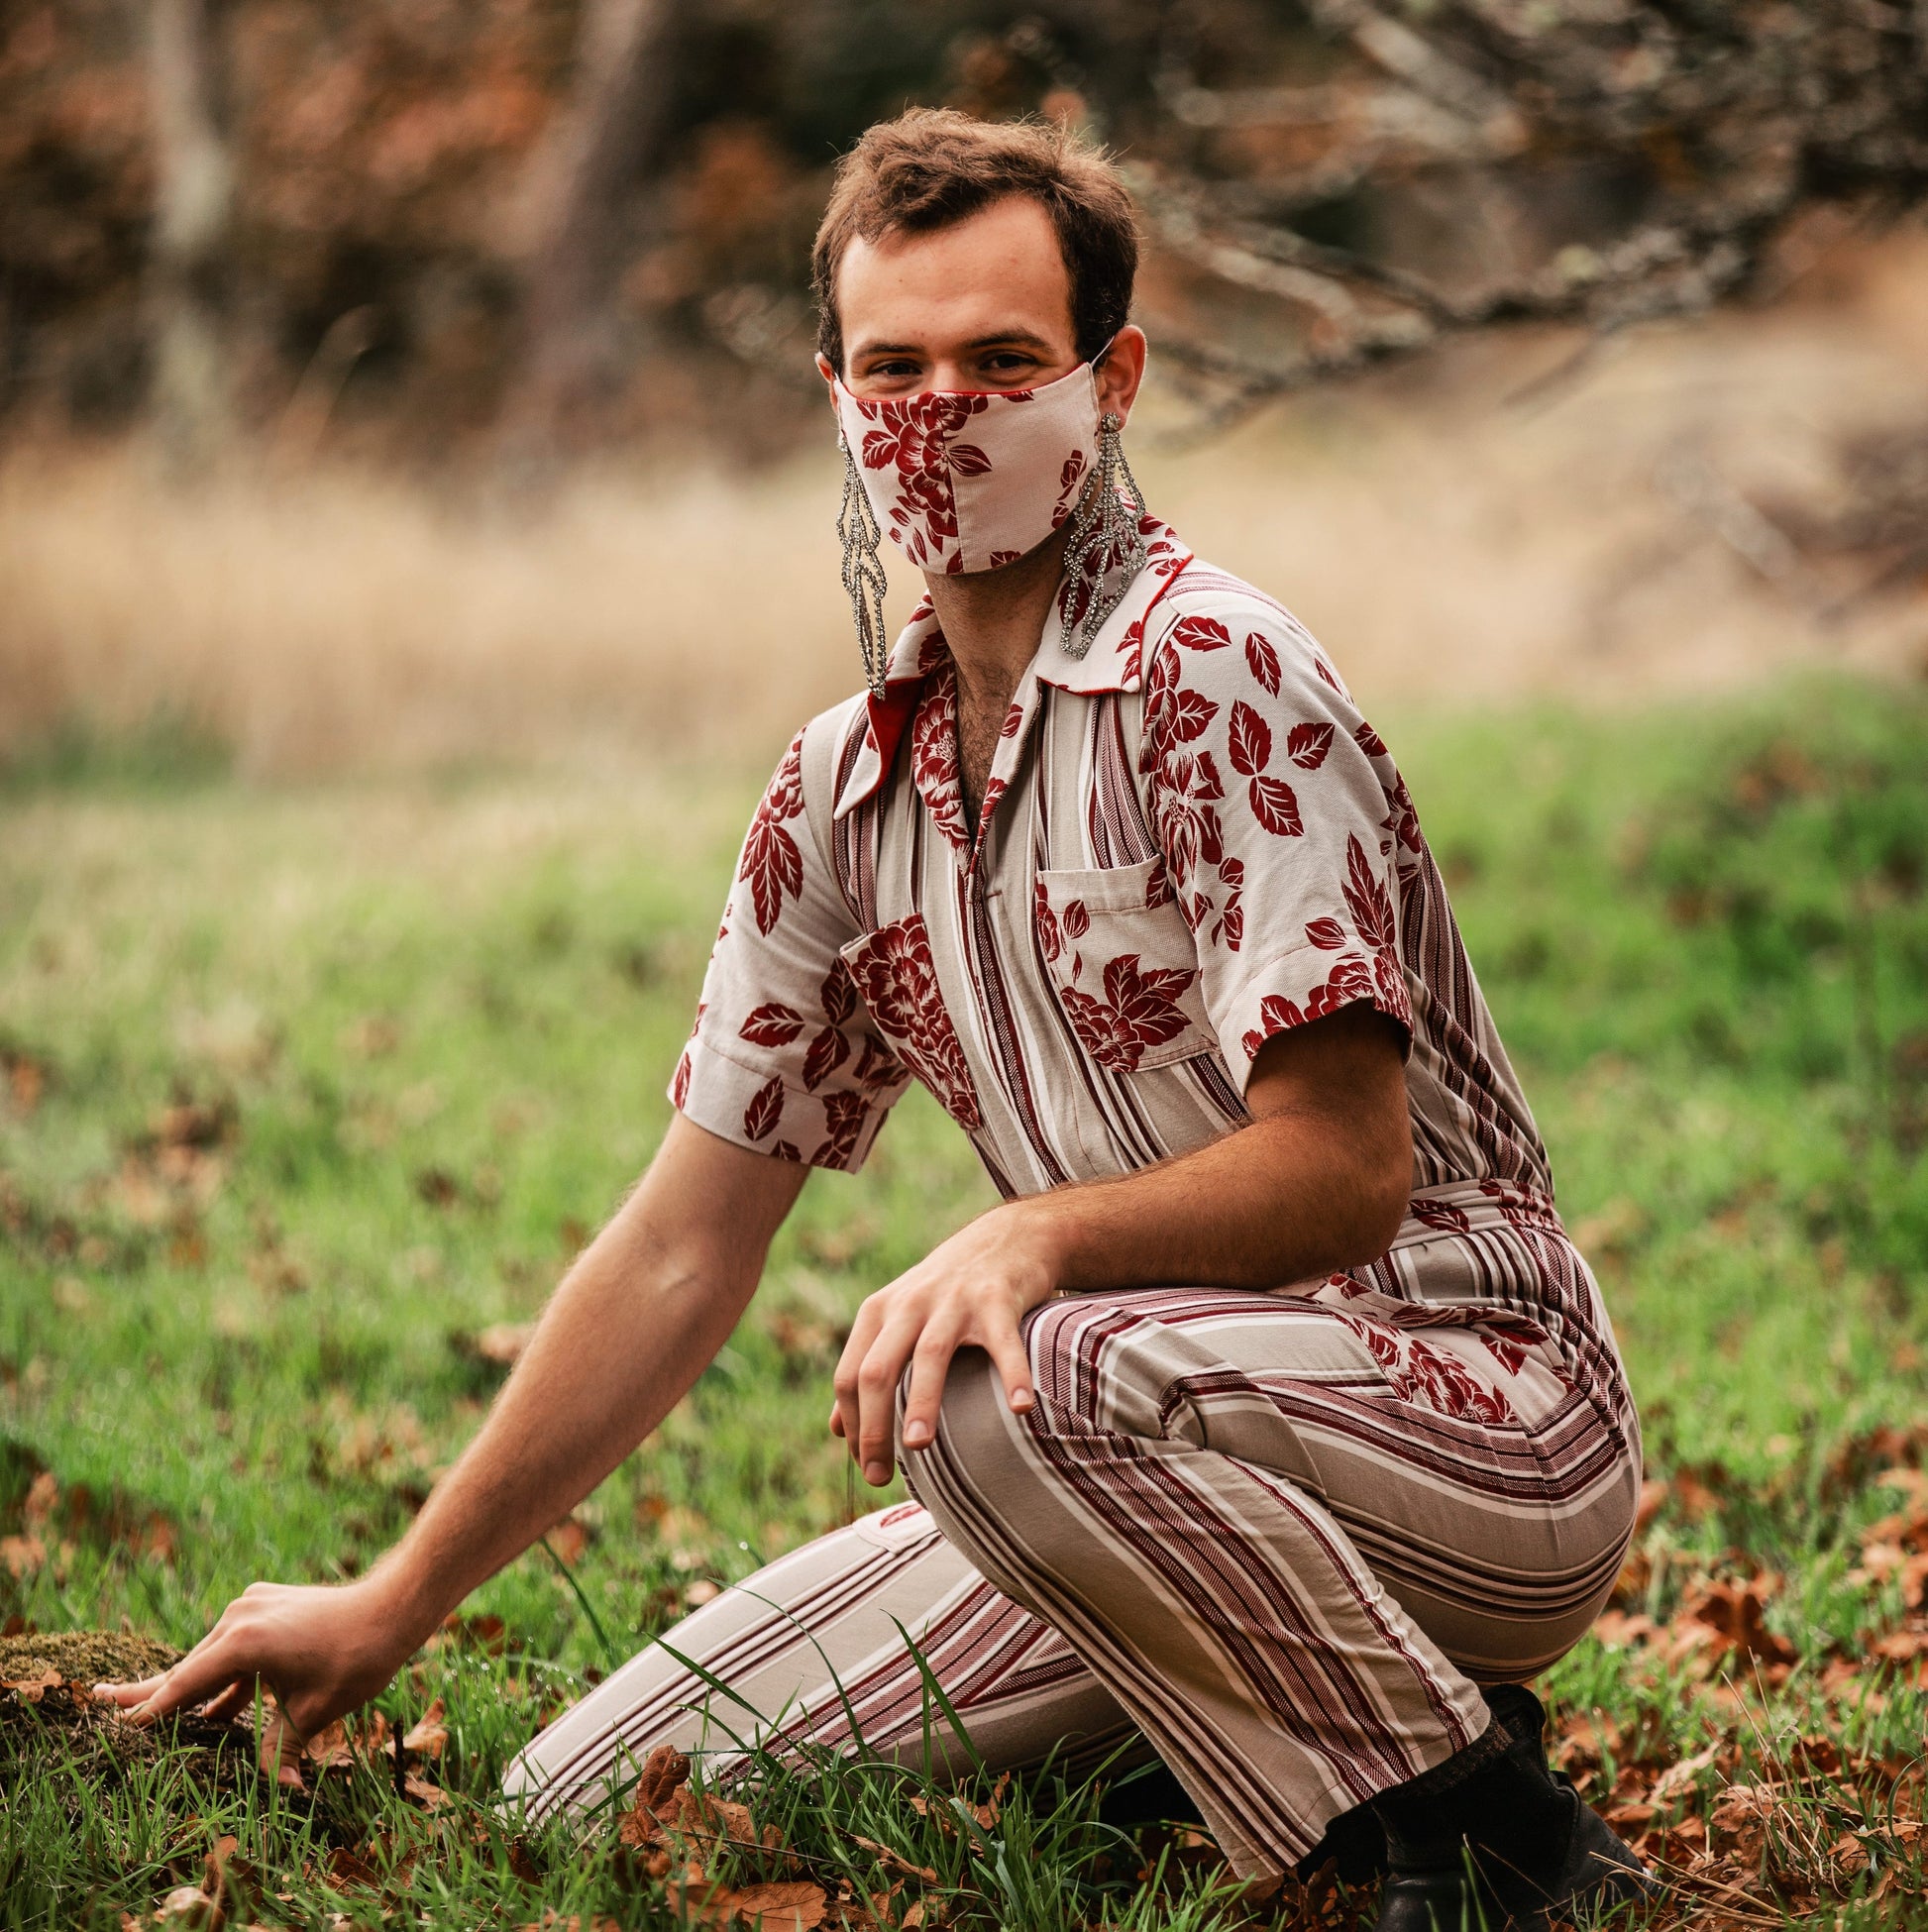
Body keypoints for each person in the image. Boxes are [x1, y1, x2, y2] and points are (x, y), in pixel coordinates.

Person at [100, 109, 1654, 1930]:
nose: (943, 413)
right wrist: (393, 1597)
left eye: (1004, 362)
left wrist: (1029, 1235)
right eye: (894, 367)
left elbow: (1349, 1166)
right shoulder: (842, 795)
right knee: (598, 1790)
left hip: (1476, 1420)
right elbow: (684, 1244)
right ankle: (1252, 1716)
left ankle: (1484, 1832)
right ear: (832, 391)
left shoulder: (1209, 670)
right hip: (1134, 1464)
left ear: (1112, 379)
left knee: (991, 1366)